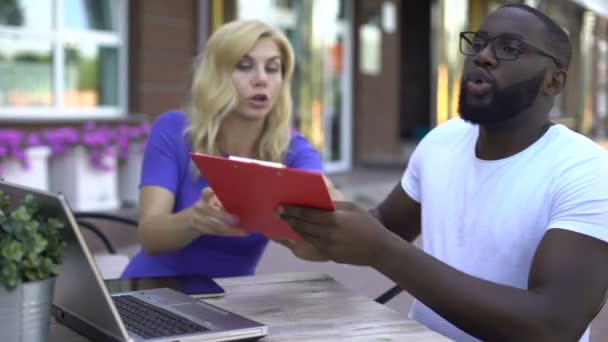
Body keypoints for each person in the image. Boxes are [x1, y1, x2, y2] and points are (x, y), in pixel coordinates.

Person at [277, 4, 608, 342]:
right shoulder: (443, 141)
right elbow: (384, 226)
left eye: (509, 48)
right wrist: (312, 229)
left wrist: (380, 249)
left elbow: (552, 325)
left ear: (554, 81)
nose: (484, 56)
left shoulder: (585, 170)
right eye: (478, 43)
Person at [122, 19, 337, 279]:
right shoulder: (173, 130)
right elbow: (150, 237)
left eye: (273, 68)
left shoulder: (293, 151)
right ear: (215, 76)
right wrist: (195, 219)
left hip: (233, 306)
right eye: (244, 66)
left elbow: (323, 240)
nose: (261, 80)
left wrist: (302, 223)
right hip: (151, 293)